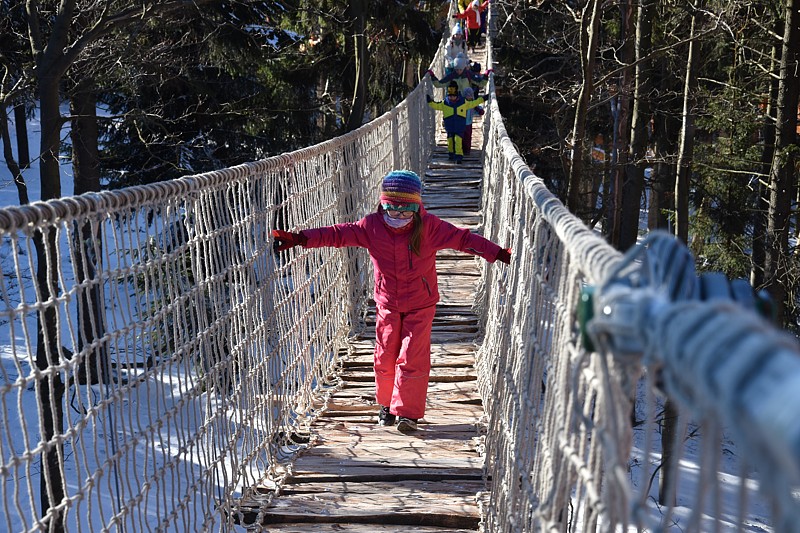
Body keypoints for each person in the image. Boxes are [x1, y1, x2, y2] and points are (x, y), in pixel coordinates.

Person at [271, 170, 511, 433]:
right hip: (387, 303)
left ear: (416, 209)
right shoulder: (371, 227)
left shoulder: (430, 227)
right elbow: (338, 234)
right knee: (384, 357)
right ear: (382, 205)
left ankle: (407, 414)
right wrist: (299, 239)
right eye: (391, 210)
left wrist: (496, 253)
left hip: (421, 304)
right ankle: (386, 404)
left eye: (405, 211)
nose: (397, 217)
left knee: (412, 358)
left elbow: (463, 239)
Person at [426, 81, 486, 164]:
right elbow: (436, 105)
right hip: (449, 127)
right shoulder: (445, 103)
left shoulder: (463, 102)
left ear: (457, 95)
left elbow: (473, 103)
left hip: (460, 126)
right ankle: (451, 154)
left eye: (453, 96)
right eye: (450, 96)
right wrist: (430, 102)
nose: (452, 98)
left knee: (458, 140)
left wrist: (483, 98)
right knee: (450, 141)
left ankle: (459, 156)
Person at [462, 87, 484, 156]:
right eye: (467, 96)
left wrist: (480, 110)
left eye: (470, 96)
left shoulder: (473, 103)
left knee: (468, 136)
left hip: (468, 123)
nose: (469, 97)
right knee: (461, 137)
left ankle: (467, 150)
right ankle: (461, 149)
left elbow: (478, 109)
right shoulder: (461, 103)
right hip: (460, 122)